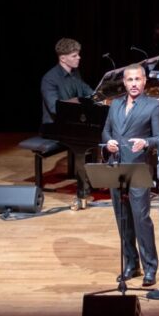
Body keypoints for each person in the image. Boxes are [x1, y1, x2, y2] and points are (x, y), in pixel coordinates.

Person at [102, 63, 159, 286]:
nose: (134, 84)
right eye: (130, 80)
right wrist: (108, 143)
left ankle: (150, 268)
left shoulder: (153, 107)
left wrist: (145, 142)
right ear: (124, 82)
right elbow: (107, 131)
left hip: (139, 168)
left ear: (145, 81)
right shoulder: (115, 104)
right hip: (116, 167)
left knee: (141, 219)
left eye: (138, 79)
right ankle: (131, 264)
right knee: (123, 219)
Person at [40, 37, 97, 200]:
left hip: (71, 121)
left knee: (97, 132)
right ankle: (82, 187)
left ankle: (96, 178)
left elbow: (86, 90)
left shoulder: (75, 73)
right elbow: (55, 108)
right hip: (53, 125)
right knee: (83, 139)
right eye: (74, 55)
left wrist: (98, 96)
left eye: (78, 54)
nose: (78, 58)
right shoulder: (49, 79)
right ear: (62, 58)